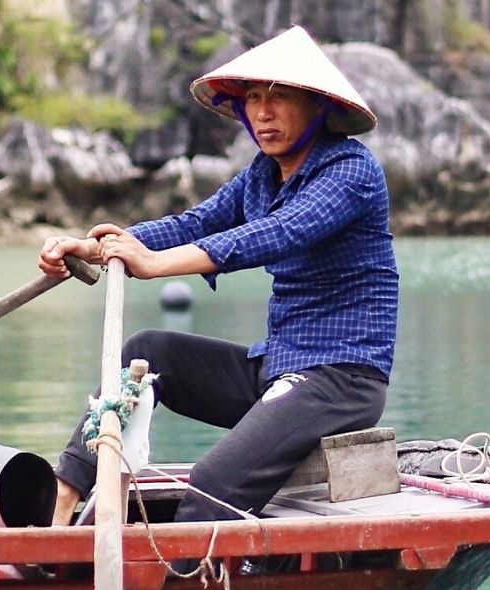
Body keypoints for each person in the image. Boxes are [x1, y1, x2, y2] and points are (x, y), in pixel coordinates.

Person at [36, 26, 396, 527]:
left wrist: (157, 265)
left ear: (316, 106)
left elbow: (276, 234)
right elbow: (196, 223)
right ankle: (60, 508)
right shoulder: (263, 173)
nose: (263, 112)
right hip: (277, 366)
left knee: (212, 485)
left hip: (341, 379)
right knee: (148, 351)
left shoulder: (352, 172)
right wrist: (98, 248)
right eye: (253, 98)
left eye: (280, 97)